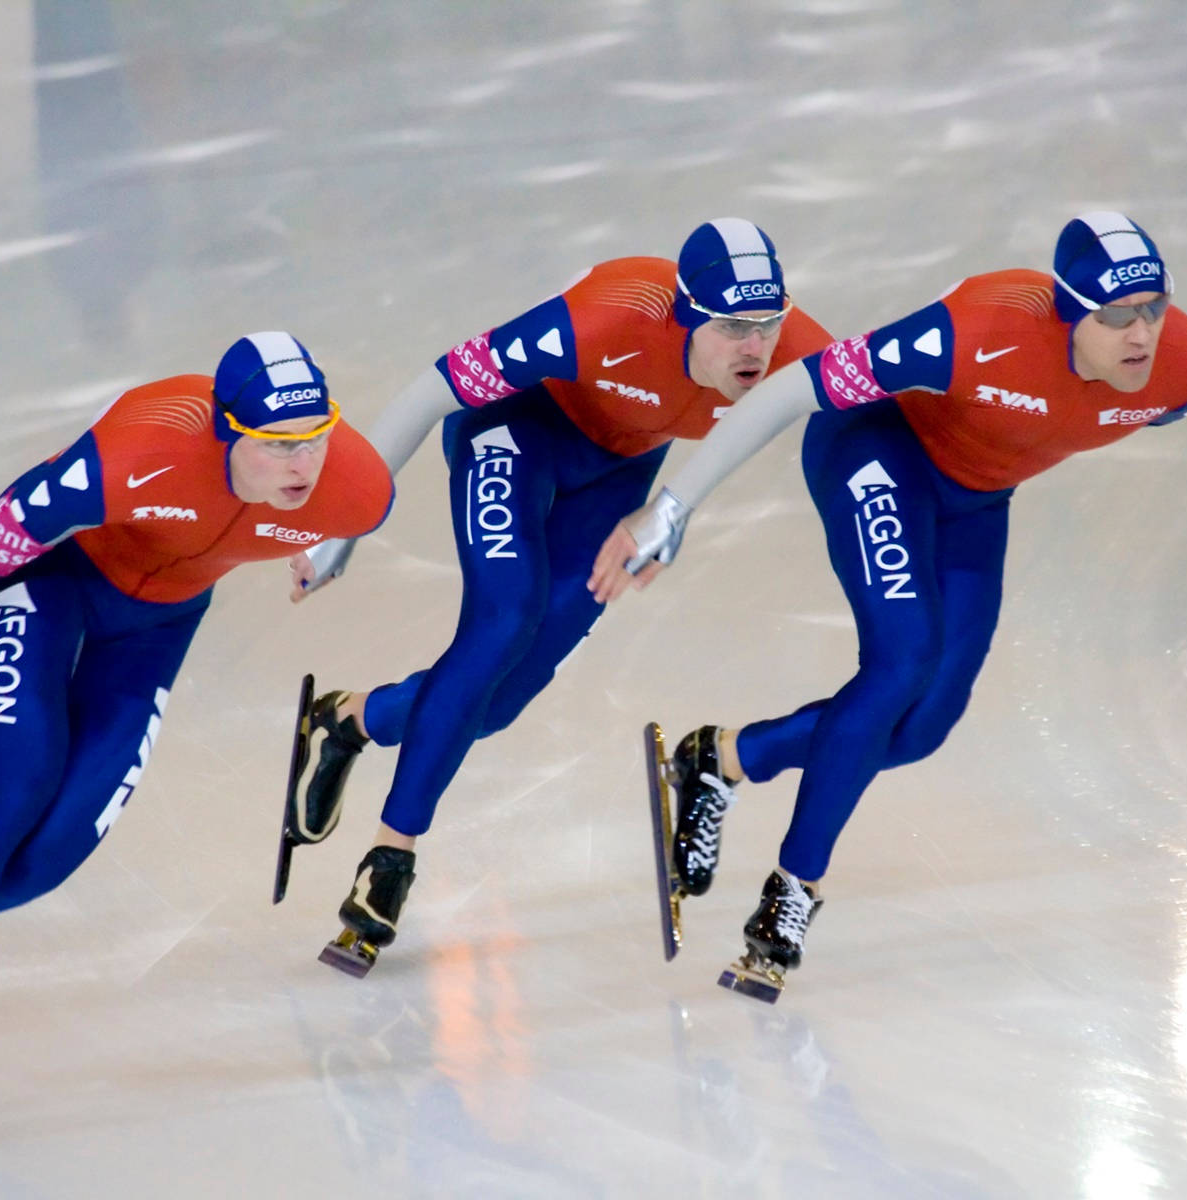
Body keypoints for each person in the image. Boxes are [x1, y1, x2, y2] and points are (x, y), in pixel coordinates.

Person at [0, 332, 393, 1156]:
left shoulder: (355, 487)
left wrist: (320, 541)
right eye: (276, 445)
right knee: (13, 795)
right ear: (228, 432)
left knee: (42, 862)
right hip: (47, 583)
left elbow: (331, 512)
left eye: (315, 436)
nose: (303, 463)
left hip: (154, 629)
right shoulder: (134, 454)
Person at [589, 212, 1187, 981]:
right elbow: (792, 388)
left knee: (922, 728)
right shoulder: (973, 331)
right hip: (878, 450)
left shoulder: (1184, 370)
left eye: (1153, 308)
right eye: (1115, 314)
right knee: (902, 661)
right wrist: (673, 505)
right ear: (1065, 311)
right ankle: (793, 890)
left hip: (979, 501)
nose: (1141, 333)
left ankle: (722, 759)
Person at [284, 220, 833, 966]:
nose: (756, 347)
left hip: (616, 479)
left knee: (500, 701)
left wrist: (672, 509)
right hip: (515, 434)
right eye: (734, 326)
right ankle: (390, 859)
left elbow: (878, 413)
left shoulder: (789, 349)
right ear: (685, 315)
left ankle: (350, 720)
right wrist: (346, 520)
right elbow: (431, 388)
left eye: (768, 324)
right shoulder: (606, 317)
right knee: (502, 621)